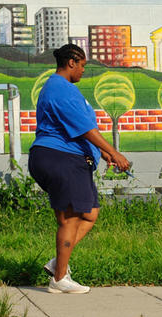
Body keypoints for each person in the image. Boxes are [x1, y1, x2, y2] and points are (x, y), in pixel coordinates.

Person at [28, 43, 130, 294]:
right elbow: (86, 130)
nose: (84, 70)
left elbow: (76, 130)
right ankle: (59, 279)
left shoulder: (62, 89)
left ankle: (57, 263)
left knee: (90, 213)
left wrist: (104, 153)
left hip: (64, 156)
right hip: (60, 158)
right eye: (83, 65)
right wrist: (114, 152)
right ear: (71, 62)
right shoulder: (60, 89)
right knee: (70, 217)